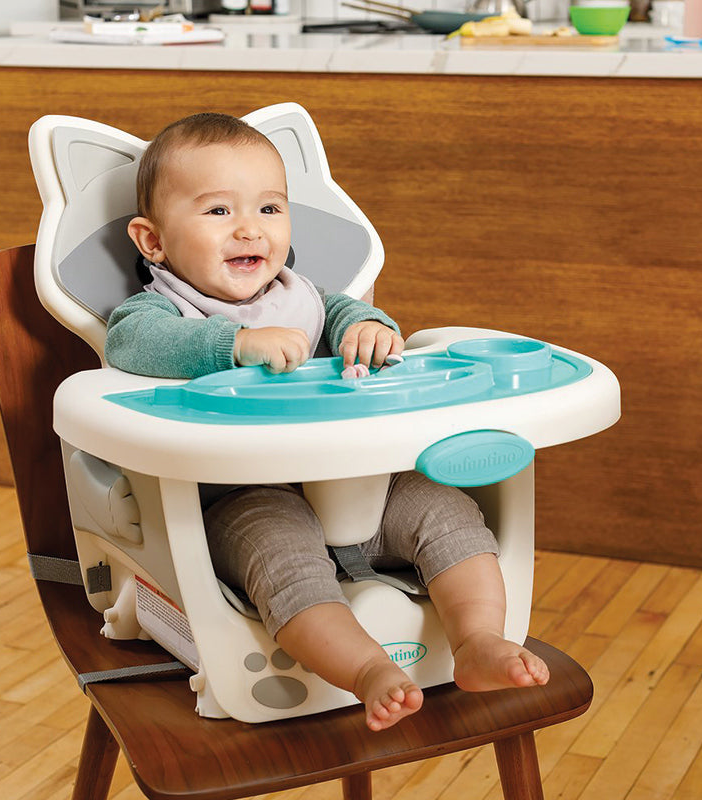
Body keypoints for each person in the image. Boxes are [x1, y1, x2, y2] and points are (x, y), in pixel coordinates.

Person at [105, 112, 549, 732]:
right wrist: (233, 345)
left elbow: (353, 317)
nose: (249, 229)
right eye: (218, 211)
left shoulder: (307, 299)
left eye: (269, 208)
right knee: (281, 557)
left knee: (444, 510)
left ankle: (477, 640)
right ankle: (368, 671)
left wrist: (371, 330)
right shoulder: (159, 313)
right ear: (152, 241)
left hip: (365, 487)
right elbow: (130, 345)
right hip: (246, 499)